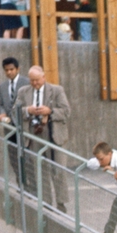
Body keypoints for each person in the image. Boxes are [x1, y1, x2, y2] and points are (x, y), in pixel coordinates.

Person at [10, 64, 71, 212]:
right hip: (34, 135)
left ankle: (61, 203)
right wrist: (28, 111)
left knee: (59, 171)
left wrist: (49, 112)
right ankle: (46, 203)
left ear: (43, 77)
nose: (35, 83)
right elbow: (14, 112)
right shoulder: (23, 92)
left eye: (37, 80)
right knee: (40, 171)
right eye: (32, 80)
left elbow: (66, 111)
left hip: (53, 135)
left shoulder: (57, 90)